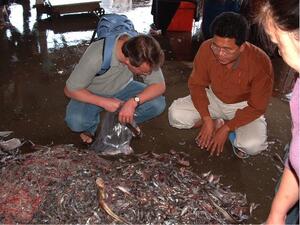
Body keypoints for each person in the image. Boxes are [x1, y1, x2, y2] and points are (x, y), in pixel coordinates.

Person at [168, 12, 274, 157]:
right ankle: (215, 121)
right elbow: (197, 85)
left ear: (242, 47)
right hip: (214, 96)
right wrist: (206, 119)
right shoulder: (206, 48)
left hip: (243, 105)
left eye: (227, 50)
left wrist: (227, 128)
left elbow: (258, 107)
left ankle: (229, 130)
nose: (220, 54)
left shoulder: (261, 62)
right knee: (175, 115)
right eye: (216, 47)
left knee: (252, 146)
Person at [64, 34, 166, 143]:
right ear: (128, 62)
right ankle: (91, 127)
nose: (148, 74)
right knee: (76, 122)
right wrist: (103, 102)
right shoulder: (96, 56)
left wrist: (133, 102)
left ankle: (123, 121)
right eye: (144, 72)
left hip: (123, 87)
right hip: (92, 92)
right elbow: (69, 90)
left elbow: (159, 86)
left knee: (157, 104)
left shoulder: (143, 51)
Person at [256, 0, 299, 224]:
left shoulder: (258, 63)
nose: (278, 52)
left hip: (243, 114)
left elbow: (257, 106)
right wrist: (278, 211)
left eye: (278, 43)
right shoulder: (299, 84)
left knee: (251, 141)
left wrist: (227, 126)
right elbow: (296, 156)